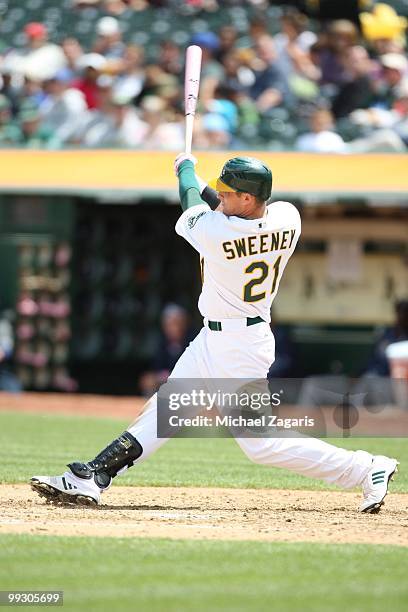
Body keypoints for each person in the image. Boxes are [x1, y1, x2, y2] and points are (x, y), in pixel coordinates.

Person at [31, 155, 398, 514]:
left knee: (261, 444)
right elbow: (220, 206)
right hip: (222, 337)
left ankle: (365, 468)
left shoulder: (216, 232)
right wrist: (206, 186)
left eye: (228, 192)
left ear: (248, 199)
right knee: (167, 410)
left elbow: (191, 198)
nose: (219, 196)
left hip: (237, 347)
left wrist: (185, 170)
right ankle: (94, 476)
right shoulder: (288, 216)